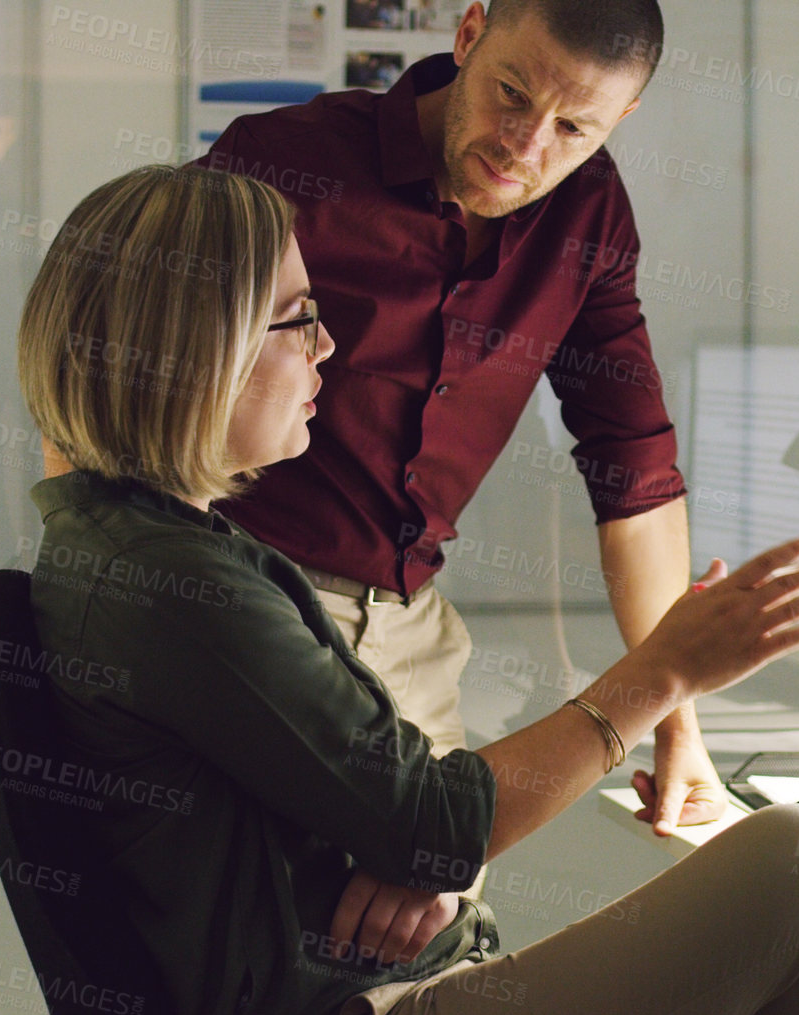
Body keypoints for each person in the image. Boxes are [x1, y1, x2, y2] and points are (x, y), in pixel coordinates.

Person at [17, 162, 799, 1015]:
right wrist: (665, 673)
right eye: (297, 319)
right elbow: (437, 821)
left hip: (389, 978)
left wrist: (413, 848)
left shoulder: (139, 541)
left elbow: (395, 809)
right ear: (197, 350)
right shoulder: (175, 586)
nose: (327, 347)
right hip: (371, 1010)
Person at [154, 0, 727, 844]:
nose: (524, 146)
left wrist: (678, 723)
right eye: (510, 94)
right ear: (468, 35)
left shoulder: (589, 214)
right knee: (281, 938)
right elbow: (120, 366)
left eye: (574, 127)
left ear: (620, 122)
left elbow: (633, 468)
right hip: (241, 599)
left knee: (441, 932)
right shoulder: (281, 161)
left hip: (411, 632)